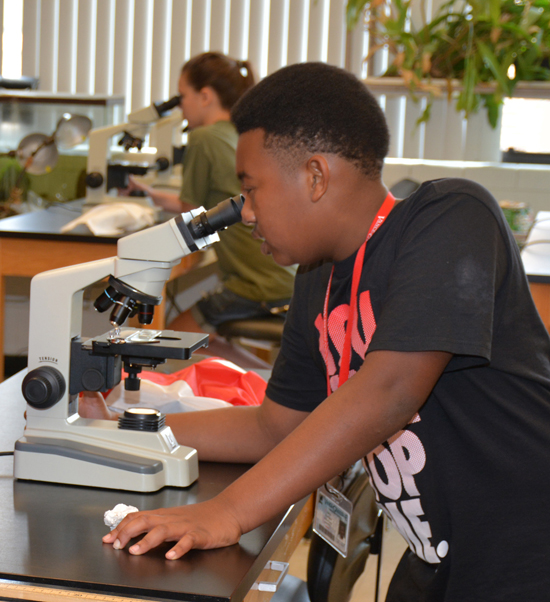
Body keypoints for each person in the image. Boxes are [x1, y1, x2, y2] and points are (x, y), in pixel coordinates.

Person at [84, 62, 550, 600]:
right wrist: (117, 429)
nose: (248, 214)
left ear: (315, 175)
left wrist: (227, 512)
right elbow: (275, 427)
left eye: (252, 190)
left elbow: (390, 392)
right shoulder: (317, 279)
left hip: (527, 552)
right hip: (436, 558)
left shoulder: (449, 218)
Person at [126, 52, 296, 365]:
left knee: (166, 344)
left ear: (205, 96)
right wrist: (153, 195)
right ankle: (265, 384)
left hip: (256, 285)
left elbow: (190, 218)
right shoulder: (242, 134)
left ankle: (268, 390)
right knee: (201, 342)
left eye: (183, 95)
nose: (180, 105)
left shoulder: (203, 138)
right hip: (285, 275)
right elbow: (209, 202)